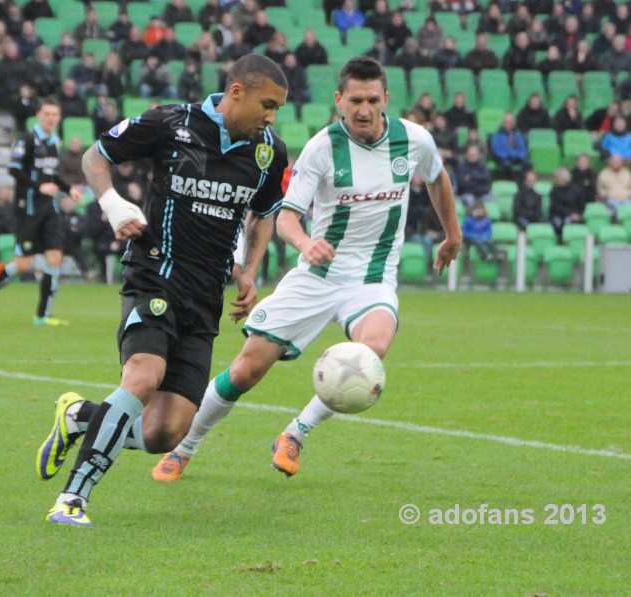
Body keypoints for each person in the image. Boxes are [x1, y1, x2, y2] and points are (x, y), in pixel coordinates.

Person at [148, 56, 461, 483]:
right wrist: (305, 243)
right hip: (317, 277)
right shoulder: (322, 148)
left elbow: (438, 178)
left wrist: (453, 234)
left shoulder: (415, 140)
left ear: (386, 98)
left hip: (372, 280)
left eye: (372, 99)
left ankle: (295, 433)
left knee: (371, 350)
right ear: (339, 100)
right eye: (355, 100)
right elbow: (287, 217)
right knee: (246, 370)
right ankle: (185, 447)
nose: (364, 109)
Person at [35, 54, 289, 526]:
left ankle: (79, 417)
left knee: (164, 432)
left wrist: (250, 271)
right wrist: (111, 203)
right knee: (143, 375)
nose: (272, 116)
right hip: (154, 273)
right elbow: (96, 156)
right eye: (267, 104)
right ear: (237, 92)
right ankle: (74, 498)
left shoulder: (270, 150)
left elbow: (266, 211)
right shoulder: (172, 123)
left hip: (205, 296)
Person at [0, 99, 82, 326]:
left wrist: (69, 189)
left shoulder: (54, 142)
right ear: (38, 115)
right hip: (27, 209)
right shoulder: (27, 140)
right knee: (23, 265)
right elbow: (14, 169)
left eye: (55, 115)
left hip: (49, 208)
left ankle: (42, 315)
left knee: (55, 257)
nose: (51, 118)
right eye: (47, 114)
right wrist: (38, 187)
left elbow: (51, 176)